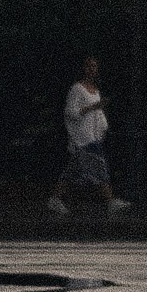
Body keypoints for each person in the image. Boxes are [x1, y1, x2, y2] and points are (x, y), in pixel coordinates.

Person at [46, 56, 130, 218]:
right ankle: (110, 201)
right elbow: (70, 112)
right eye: (89, 66)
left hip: (93, 135)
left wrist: (103, 126)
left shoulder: (96, 90)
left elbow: (97, 112)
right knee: (99, 166)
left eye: (94, 66)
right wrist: (92, 107)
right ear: (83, 69)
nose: (92, 69)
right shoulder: (77, 89)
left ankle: (55, 199)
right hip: (82, 137)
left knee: (72, 172)